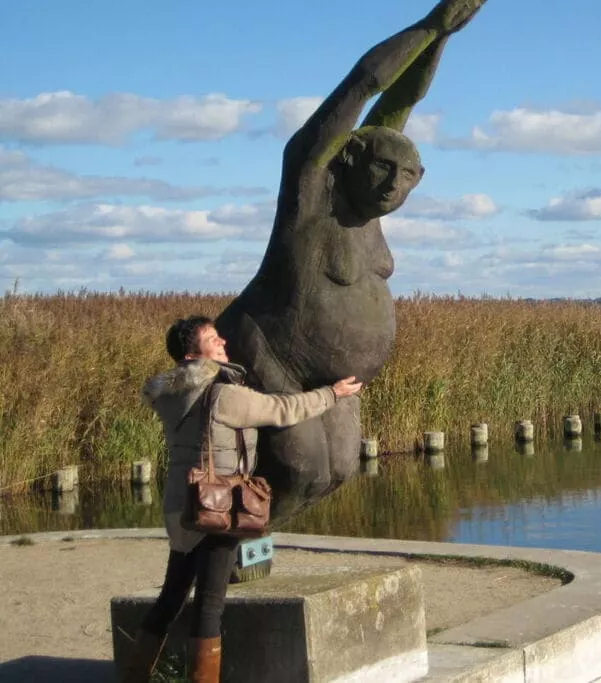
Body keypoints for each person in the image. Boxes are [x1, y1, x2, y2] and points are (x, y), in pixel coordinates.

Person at [214, 0, 489, 523]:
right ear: (349, 158)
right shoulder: (311, 189)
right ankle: (222, 550)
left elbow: (404, 98)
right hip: (272, 348)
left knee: (338, 471)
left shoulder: (371, 212)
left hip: (337, 378)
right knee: (302, 469)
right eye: (383, 168)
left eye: (407, 176)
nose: (392, 185)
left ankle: (239, 544)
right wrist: (429, 24)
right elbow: (364, 87)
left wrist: (447, 37)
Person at [120, 315, 362, 683]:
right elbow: (285, 410)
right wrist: (333, 393)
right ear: (192, 353)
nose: (223, 344)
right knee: (210, 602)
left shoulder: (168, 395)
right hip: (219, 506)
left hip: (180, 504)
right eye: (213, 340)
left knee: (171, 596)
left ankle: (135, 676)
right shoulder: (224, 396)